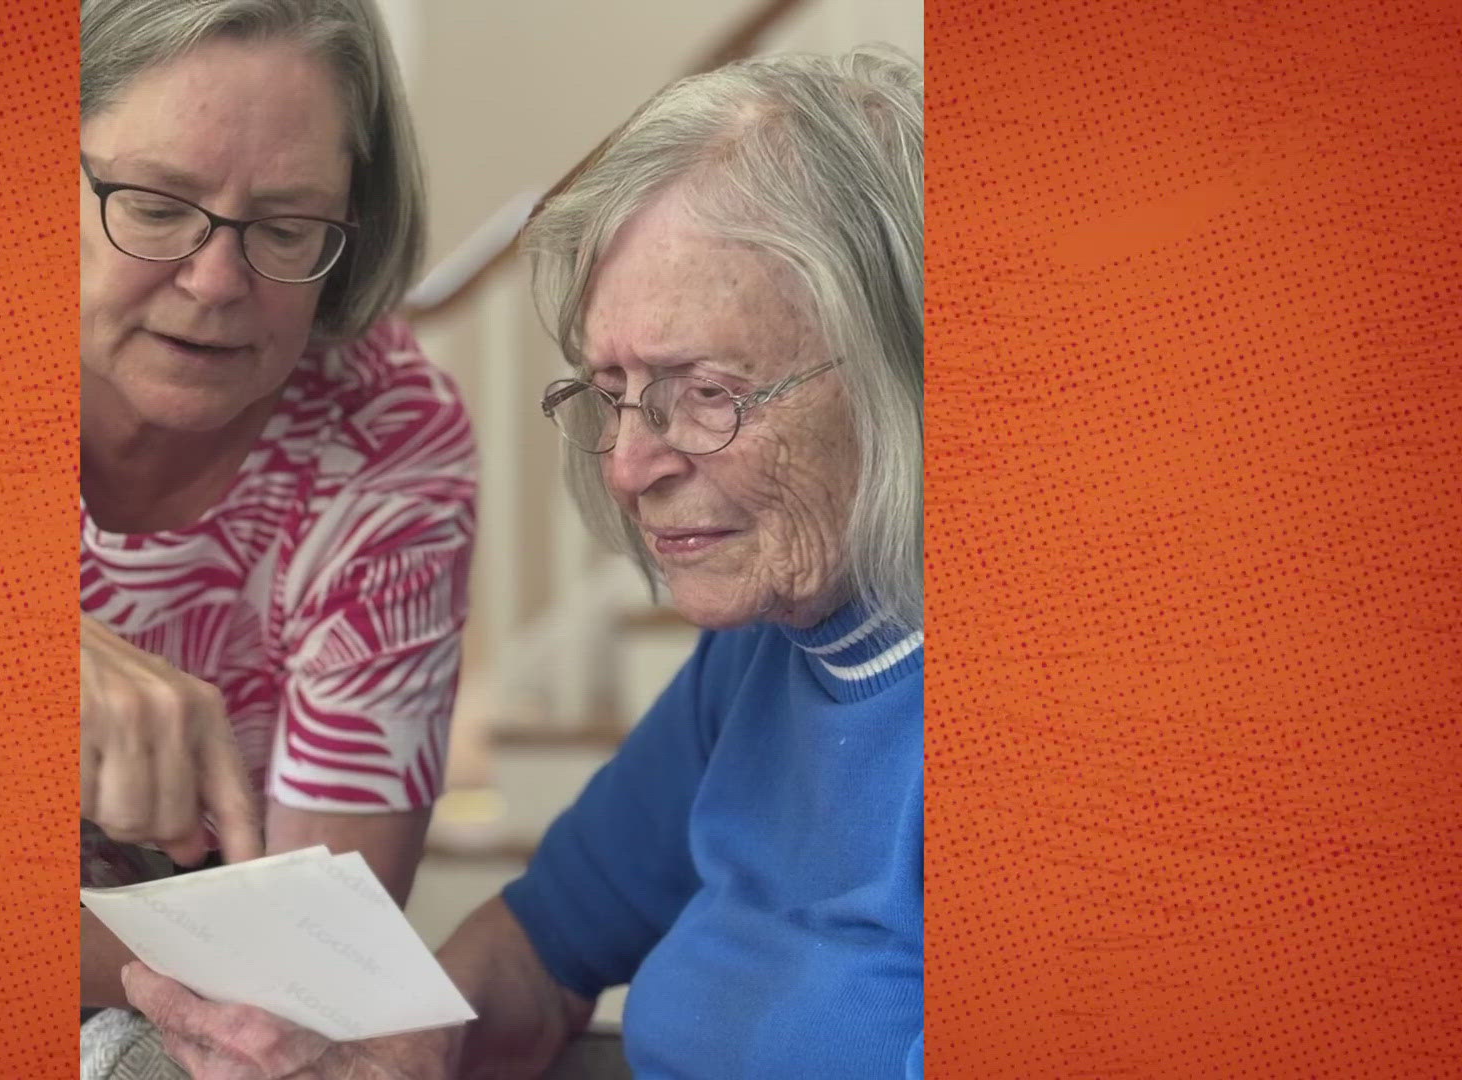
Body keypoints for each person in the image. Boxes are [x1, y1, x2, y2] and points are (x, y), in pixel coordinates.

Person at [120, 47, 926, 1080]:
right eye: (613, 390)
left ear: (901, 367)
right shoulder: (767, 657)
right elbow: (536, 953)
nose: (629, 464)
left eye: (709, 389)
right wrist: (394, 1056)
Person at [76, 0, 475, 1028]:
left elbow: (312, 960)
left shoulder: (393, 443)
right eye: (156, 206)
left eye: (288, 228)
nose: (215, 282)